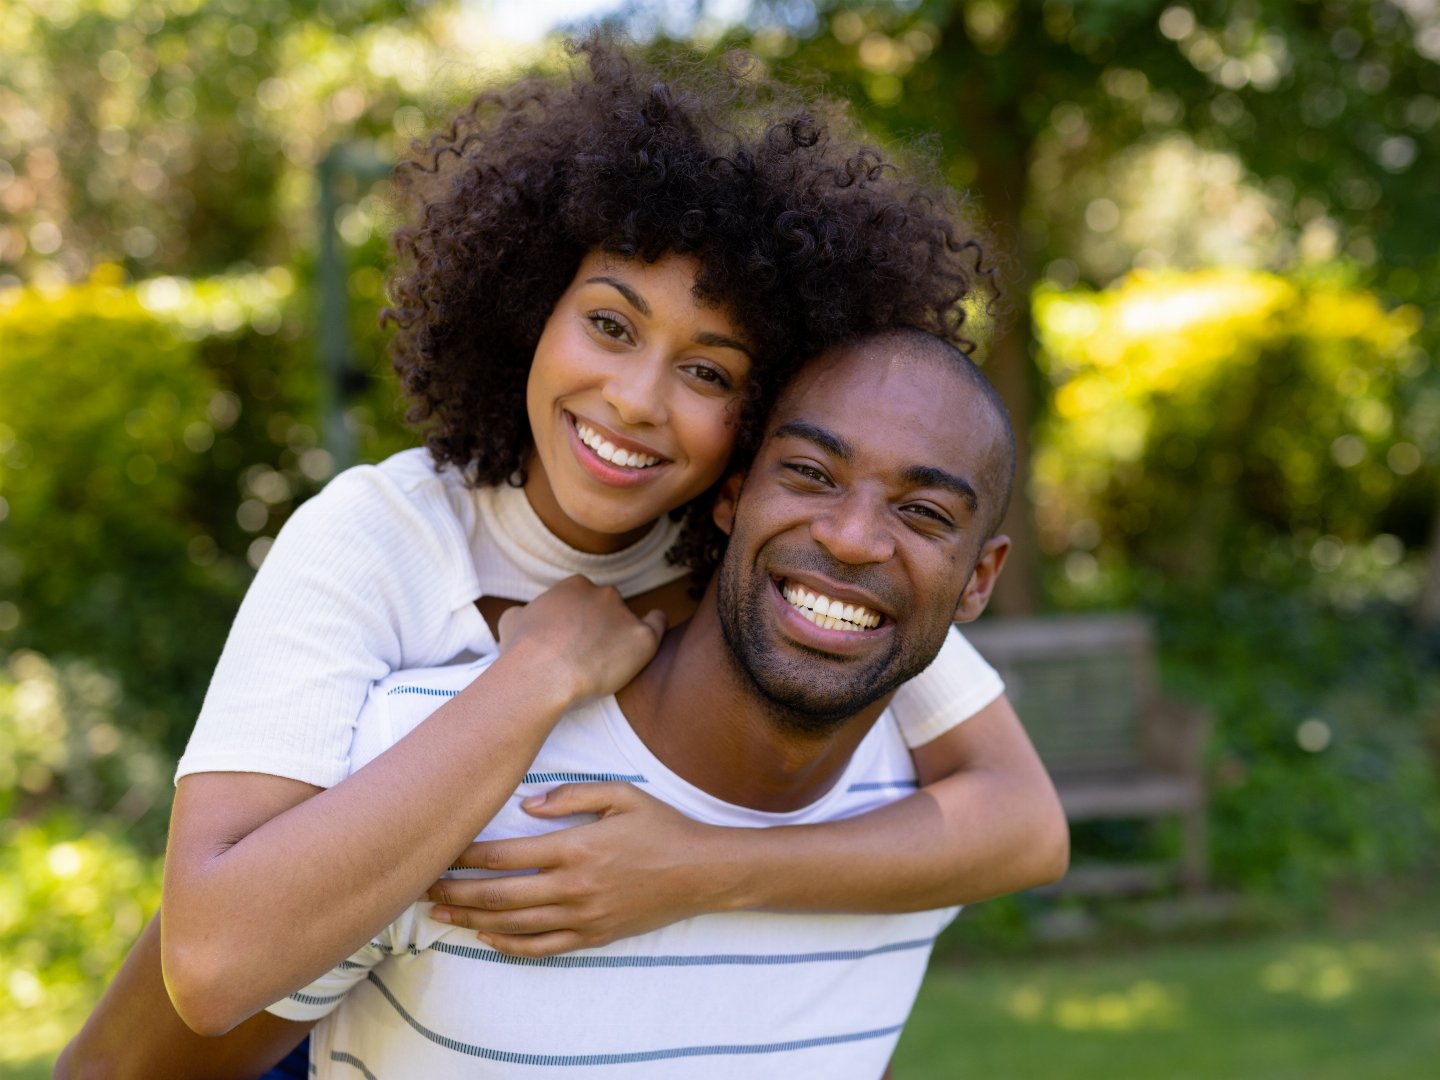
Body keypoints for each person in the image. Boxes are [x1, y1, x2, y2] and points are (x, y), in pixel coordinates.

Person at [56, 35, 1066, 1078]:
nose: (635, 399)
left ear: (751, 447)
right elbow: (214, 961)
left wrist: (698, 868)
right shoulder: (382, 535)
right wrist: (538, 674)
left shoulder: (788, 572)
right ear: (530, 308)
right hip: (307, 945)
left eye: (710, 374)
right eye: (608, 325)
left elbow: (1022, 823)